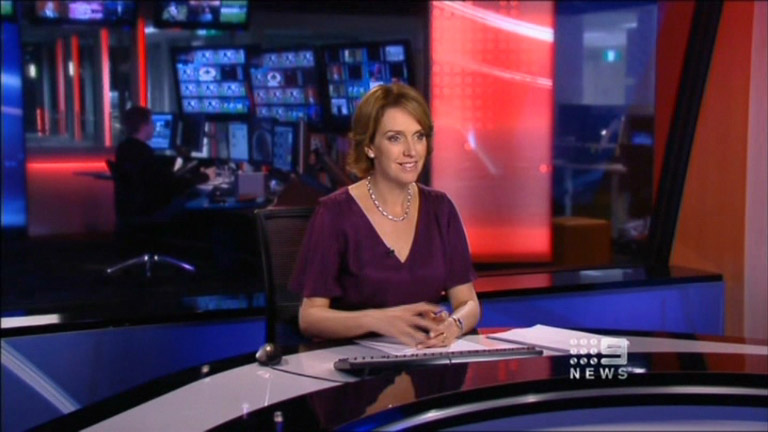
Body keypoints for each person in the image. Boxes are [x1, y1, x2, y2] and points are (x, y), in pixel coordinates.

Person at [289, 83, 480, 348]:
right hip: (355, 363)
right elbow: (310, 318)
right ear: (370, 146)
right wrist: (377, 320)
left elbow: (468, 303)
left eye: (419, 136)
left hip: (423, 357)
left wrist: (453, 325)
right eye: (395, 138)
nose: (411, 151)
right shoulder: (335, 214)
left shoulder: (441, 209)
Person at [115, 106, 215, 223]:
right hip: (151, 212)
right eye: (151, 122)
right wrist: (205, 176)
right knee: (197, 201)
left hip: (130, 213)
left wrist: (179, 160)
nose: (154, 126)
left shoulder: (123, 148)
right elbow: (171, 186)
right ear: (143, 126)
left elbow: (160, 178)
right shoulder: (143, 152)